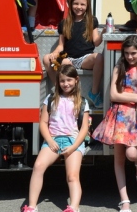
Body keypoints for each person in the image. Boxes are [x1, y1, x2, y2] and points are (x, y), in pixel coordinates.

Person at [92, 35, 137, 212]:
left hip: (136, 116)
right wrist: (136, 97)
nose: (130, 57)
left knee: (132, 154)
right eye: (126, 53)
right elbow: (113, 96)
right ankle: (124, 200)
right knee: (118, 159)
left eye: (133, 53)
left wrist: (128, 97)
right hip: (119, 115)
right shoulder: (119, 67)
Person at [22, 65, 90, 212]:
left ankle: (74, 207)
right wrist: (50, 141)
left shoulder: (83, 102)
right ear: (58, 82)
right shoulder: (51, 98)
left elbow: (84, 128)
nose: (66, 84)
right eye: (62, 81)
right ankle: (32, 206)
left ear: (76, 80)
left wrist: (73, 147)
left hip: (73, 141)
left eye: (69, 80)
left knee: (72, 176)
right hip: (53, 140)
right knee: (38, 166)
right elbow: (43, 123)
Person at [43, 0, 105, 107]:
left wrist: (104, 33)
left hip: (85, 59)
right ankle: (59, 90)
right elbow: (61, 45)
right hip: (68, 58)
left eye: (82, 4)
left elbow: (96, 42)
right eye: (76, 3)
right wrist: (55, 53)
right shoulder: (64, 23)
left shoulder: (92, 21)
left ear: (87, 6)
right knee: (46, 59)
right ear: (71, 4)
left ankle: (94, 92)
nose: (79, 7)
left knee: (99, 57)